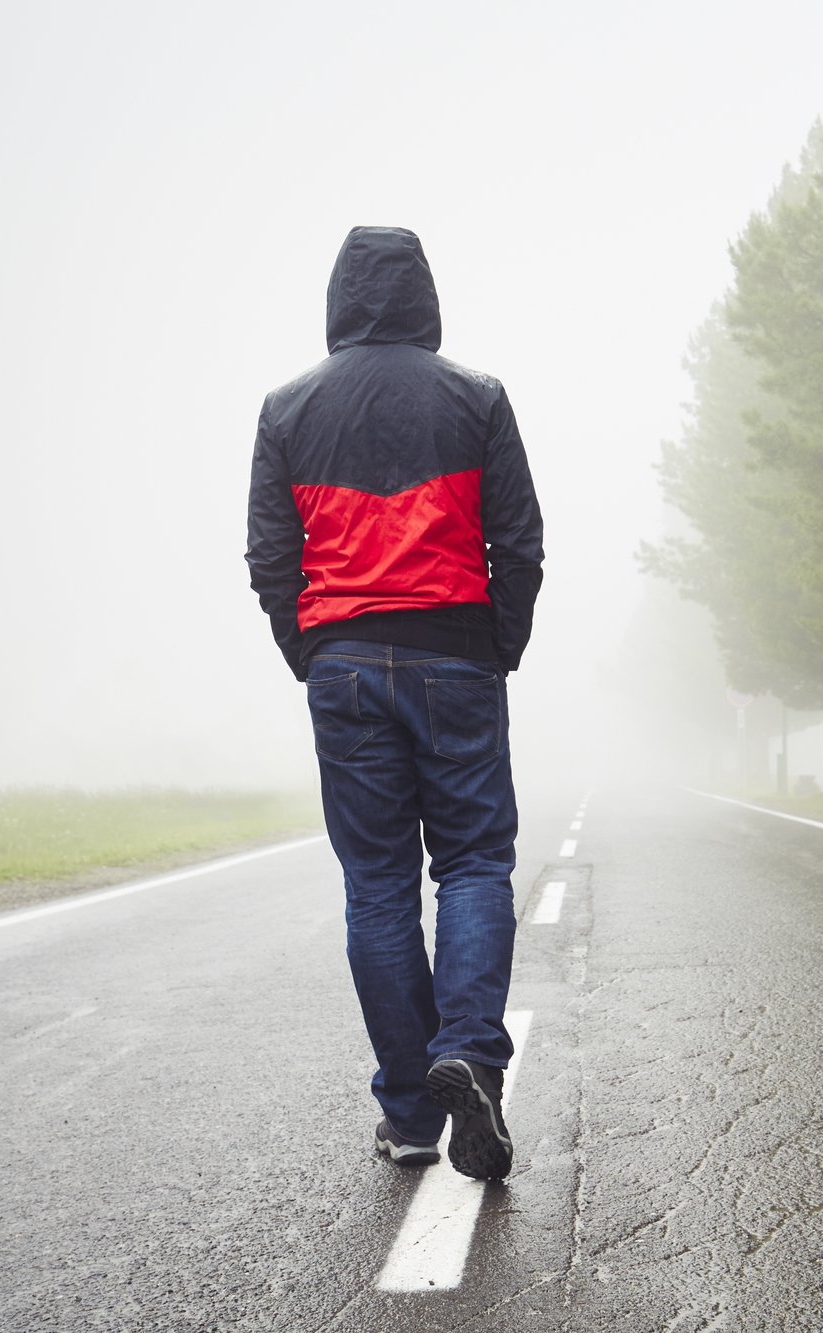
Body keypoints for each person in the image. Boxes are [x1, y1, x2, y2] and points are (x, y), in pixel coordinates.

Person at [244, 226, 543, 1181]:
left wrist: (314, 650)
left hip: (345, 668)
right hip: (455, 656)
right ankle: (470, 1054)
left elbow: (269, 557)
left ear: (338, 298)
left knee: (377, 884)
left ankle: (412, 1115)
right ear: (424, 296)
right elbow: (519, 543)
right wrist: (497, 646)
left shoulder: (287, 409)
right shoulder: (477, 398)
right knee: (472, 861)